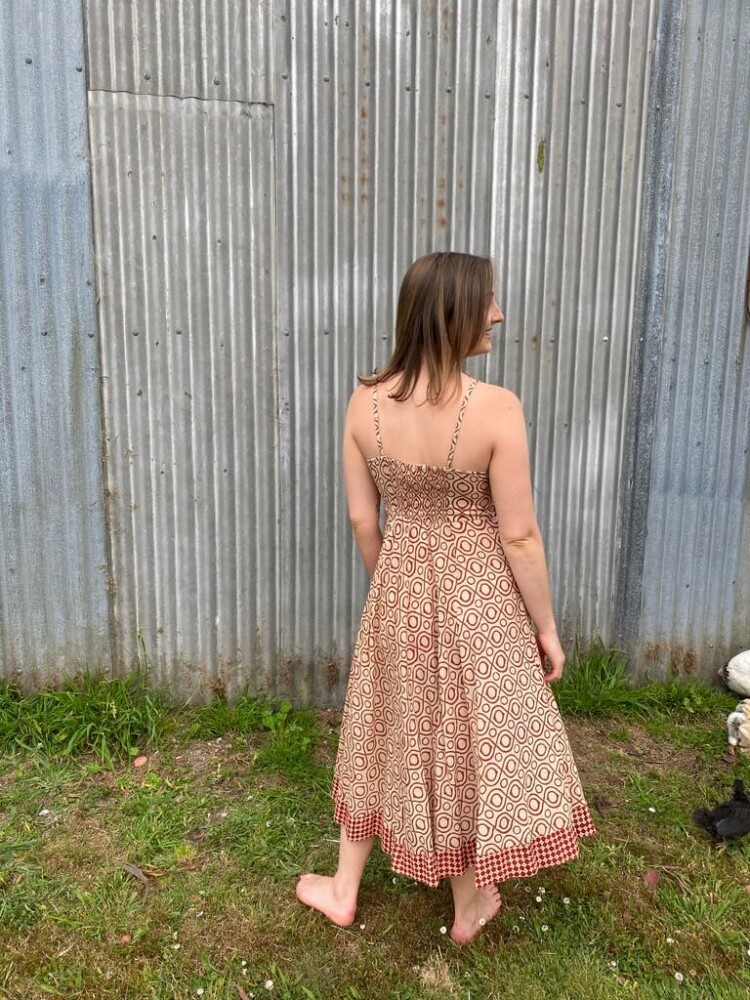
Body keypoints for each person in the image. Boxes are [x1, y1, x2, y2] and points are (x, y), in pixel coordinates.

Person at [296, 251, 595, 944]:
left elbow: (363, 521)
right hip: (478, 601)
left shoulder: (364, 402)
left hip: (397, 590)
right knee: (461, 743)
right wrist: (546, 628)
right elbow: (519, 536)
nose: (499, 314)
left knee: (380, 727)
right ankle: (467, 907)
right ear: (452, 312)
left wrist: (393, 588)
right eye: (488, 302)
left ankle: (344, 889)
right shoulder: (496, 408)